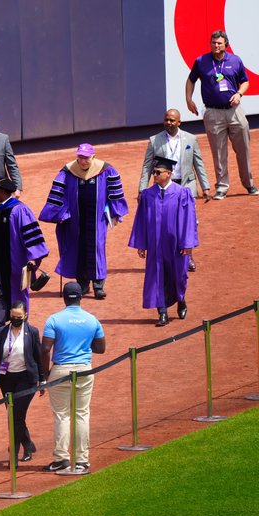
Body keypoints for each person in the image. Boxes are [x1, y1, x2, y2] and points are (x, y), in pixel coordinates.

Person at [38, 143, 128, 300]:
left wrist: (115, 211)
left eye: (86, 158)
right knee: (78, 248)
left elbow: (115, 192)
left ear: (93, 157)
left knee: (97, 248)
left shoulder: (106, 170)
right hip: (75, 219)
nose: (83, 161)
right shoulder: (68, 171)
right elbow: (58, 193)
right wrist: (60, 214)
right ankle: (83, 284)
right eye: (80, 158)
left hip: (97, 219)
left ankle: (98, 285)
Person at [40, 282, 105, 473]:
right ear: (81, 297)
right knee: (81, 414)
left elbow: (45, 349)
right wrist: (83, 345)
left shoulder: (54, 320)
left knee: (62, 415)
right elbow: (101, 349)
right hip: (84, 370)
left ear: (64, 297)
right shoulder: (92, 320)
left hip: (60, 371)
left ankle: (61, 458)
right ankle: (82, 461)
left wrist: (45, 375)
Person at [185, 30, 257, 200]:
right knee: (218, 152)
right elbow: (191, 80)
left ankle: (249, 184)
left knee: (243, 149)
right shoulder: (201, 61)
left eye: (219, 43)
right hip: (213, 112)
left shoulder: (235, 60)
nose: (216, 46)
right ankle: (222, 187)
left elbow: (245, 81)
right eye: (213, 43)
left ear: (226, 44)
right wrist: (188, 99)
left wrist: (239, 93)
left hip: (234, 112)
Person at [128, 157, 199, 327]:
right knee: (156, 277)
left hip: (176, 245)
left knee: (178, 275)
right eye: (154, 172)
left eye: (158, 172)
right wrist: (141, 244)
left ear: (168, 173)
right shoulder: (147, 195)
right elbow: (141, 220)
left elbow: (189, 219)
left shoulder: (183, 193)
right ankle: (163, 313)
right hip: (155, 245)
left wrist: (188, 243)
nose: (155, 175)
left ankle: (181, 299)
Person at [138, 108, 210, 272]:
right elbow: (147, 166)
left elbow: (198, 163)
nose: (168, 123)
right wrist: (142, 188)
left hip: (185, 185)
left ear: (179, 122)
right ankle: (164, 255)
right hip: (163, 187)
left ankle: (188, 256)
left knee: (188, 221)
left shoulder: (191, 139)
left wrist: (205, 186)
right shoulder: (155, 140)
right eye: (166, 120)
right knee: (166, 221)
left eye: (172, 120)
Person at [0, 178, 49, 337]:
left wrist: (33, 258)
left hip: (16, 264)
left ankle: (20, 327)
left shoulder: (20, 210)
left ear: (4, 192)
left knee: (17, 294)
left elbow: (32, 237)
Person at [0, 302, 43, 464]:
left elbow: (38, 356)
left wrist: (42, 378)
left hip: (27, 379)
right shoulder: (2, 332)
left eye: (19, 317)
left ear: (25, 316)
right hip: (7, 379)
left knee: (17, 414)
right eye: (13, 317)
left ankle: (13, 453)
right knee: (14, 415)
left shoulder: (32, 332)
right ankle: (27, 444)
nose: (15, 320)